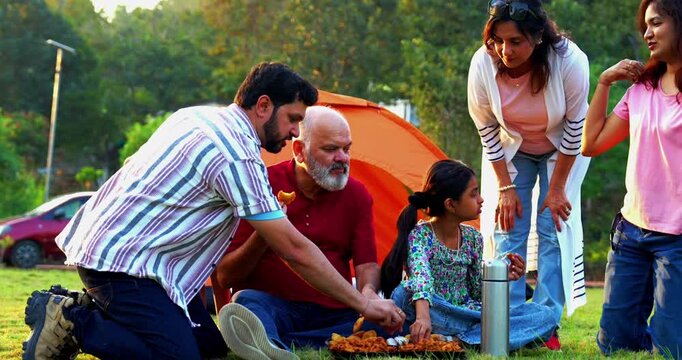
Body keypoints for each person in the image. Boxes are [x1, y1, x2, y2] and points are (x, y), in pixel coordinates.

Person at [22, 62, 404, 360]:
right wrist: (364, 302)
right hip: (122, 265)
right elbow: (294, 249)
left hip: (150, 264)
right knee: (176, 357)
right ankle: (71, 319)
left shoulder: (196, 115)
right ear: (264, 105)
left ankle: (101, 310)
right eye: (293, 120)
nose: (293, 133)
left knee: (211, 347)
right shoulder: (236, 155)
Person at [215, 105, 395, 353]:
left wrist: (369, 293)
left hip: (336, 310)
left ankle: (275, 344)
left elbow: (366, 264)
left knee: (392, 318)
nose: (343, 158)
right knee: (246, 302)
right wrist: (266, 233)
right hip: (276, 307)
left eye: (347, 149)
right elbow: (226, 276)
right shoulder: (260, 186)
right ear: (299, 151)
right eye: (331, 149)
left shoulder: (357, 194)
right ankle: (301, 341)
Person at [467, 0, 591, 342]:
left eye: (515, 41)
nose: (505, 50)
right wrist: (505, 189)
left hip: (564, 150)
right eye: (498, 40)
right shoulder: (482, 63)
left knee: (553, 226)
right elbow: (487, 128)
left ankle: (544, 323)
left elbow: (575, 127)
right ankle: (508, 318)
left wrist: (556, 190)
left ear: (537, 37)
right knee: (508, 226)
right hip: (512, 148)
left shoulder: (570, 61)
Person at [582, 0, 682, 357]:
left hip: (677, 240)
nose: (647, 33)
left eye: (656, 23)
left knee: (671, 350)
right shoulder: (641, 89)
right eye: (645, 25)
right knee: (615, 345)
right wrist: (606, 81)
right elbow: (591, 144)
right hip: (632, 231)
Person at [380, 159, 556, 349]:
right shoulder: (421, 235)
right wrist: (423, 318)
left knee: (544, 315)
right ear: (450, 204)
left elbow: (474, 292)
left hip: (464, 315)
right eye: (474, 194)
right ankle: (483, 337)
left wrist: (500, 278)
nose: (481, 199)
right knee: (407, 292)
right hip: (428, 311)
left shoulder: (473, 238)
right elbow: (421, 279)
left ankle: (457, 341)